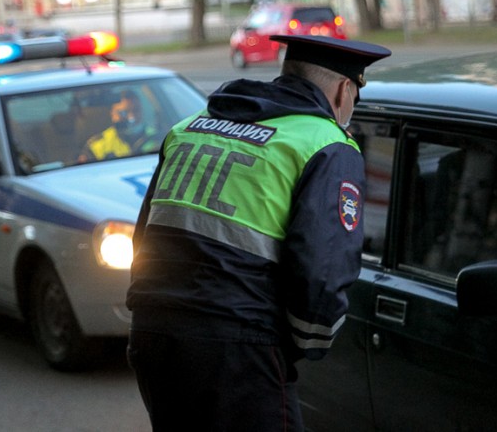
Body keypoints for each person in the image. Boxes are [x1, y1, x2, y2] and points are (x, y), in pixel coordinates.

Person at [126, 34, 391, 431]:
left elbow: (144, 237)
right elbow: (321, 272)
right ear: (343, 91)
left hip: (152, 332)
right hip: (238, 347)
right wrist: (303, 345)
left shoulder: (189, 129)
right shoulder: (326, 145)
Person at [78, 89, 155, 162]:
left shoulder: (158, 137)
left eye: (136, 110)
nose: (131, 117)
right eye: (123, 113)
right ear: (112, 114)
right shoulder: (96, 145)